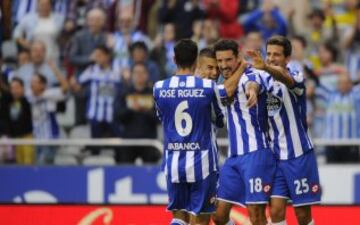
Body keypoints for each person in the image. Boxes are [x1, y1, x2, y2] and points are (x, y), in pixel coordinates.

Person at [247, 35, 321, 225]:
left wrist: (266, 67)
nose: (271, 58)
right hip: (276, 157)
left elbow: (286, 78)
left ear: (287, 58)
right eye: (269, 54)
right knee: (277, 210)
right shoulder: (264, 79)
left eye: (276, 55)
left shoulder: (295, 75)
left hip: (299, 155)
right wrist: (253, 91)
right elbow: (255, 81)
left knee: (303, 214)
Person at [153, 39, 224, 225]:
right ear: (196, 62)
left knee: (178, 219)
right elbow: (220, 120)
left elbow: (162, 117)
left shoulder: (159, 88)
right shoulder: (208, 87)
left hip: (174, 163)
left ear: (174, 58)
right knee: (200, 220)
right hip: (203, 164)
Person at [213, 39, 276, 225]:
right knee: (218, 215)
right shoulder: (225, 82)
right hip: (233, 158)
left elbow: (252, 84)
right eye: (220, 61)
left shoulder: (250, 74)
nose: (224, 65)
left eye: (228, 60)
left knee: (256, 215)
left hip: (256, 154)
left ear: (238, 58)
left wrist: (252, 92)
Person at [70, 45, 122, 155]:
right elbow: (78, 87)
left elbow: (122, 91)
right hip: (95, 116)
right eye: (95, 56)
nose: (96, 58)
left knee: (119, 144)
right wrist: (73, 84)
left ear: (107, 56)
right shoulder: (91, 71)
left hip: (112, 115)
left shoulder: (116, 72)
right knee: (95, 147)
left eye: (99, 55)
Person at [116, 63, 160, 163]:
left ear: (147, 75)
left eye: (142, 72)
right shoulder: (125, 93)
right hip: (128, 141)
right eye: (136, 72)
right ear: (132, 75)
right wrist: (131, 109)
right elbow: (118, 116)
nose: (139, 75)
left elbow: (159, 118)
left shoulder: (154, 94)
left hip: (149, 141)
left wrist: (145, 110)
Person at [7, 78, 33, 164]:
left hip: (27, 137)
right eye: (12, 88)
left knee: (28, 165)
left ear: (23, 88)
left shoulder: (28, 101)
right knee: (18, 165)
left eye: (17, 87)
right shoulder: (9, 102)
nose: (14, 91)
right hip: (16, 139)